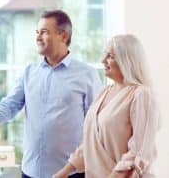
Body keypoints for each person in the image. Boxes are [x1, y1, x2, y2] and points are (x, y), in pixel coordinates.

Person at [0, 10, 102, 178]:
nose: (38, 37)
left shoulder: (87, 74)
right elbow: (9, 105)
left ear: (63, 36)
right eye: (37, 32)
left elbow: (96, 127)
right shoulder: (29, 72)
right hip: (30, 171)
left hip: (70, 173)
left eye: (44, 32)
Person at [52, 34, 160, 178]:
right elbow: (90, 144)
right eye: (105, 54)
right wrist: (64, 172)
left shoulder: (141, 95)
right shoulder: (104, 92)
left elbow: (140, 151)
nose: (103, 60)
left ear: (127, 60)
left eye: (110, 56)